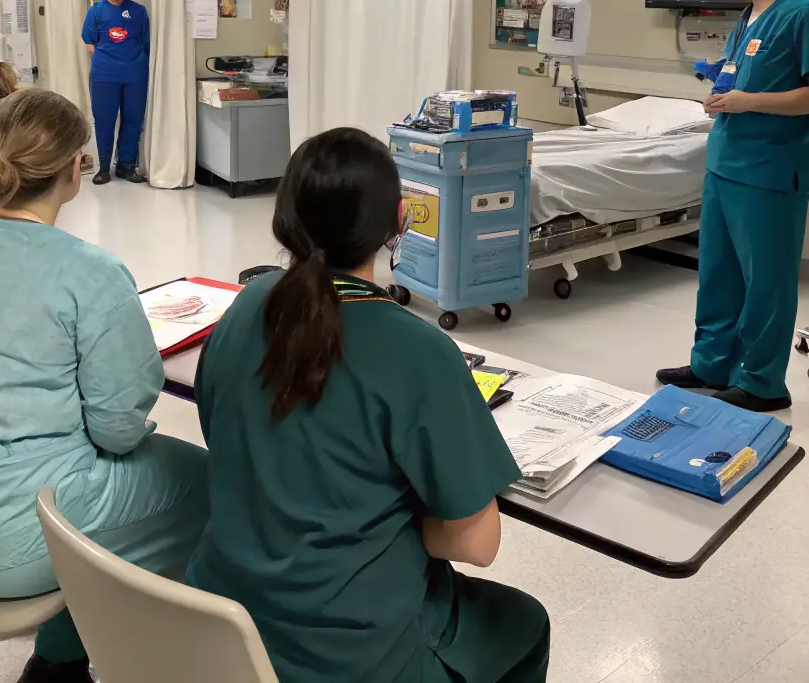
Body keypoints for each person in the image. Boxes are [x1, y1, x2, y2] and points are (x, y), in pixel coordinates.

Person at [187, 127, 549, 683]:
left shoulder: (246, 306)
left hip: (219, 619)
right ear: (401, 220)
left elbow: (222, 431)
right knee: (524, 625)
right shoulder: (418, 351)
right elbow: (477, 544)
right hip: (348, 653)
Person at [0, 88, 208, 683]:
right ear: (74, 167)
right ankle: (179, 658)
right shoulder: (90, 271)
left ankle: (59, 658)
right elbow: (116, 431)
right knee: (216, 487)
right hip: (4, 539)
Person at [657, 0, 809, 412]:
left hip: (769, 171)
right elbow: (745, 77)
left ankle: (762, 384)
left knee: (767, 283)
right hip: (725, 166)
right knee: (717, 275)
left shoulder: (805, 16)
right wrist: (721, 90)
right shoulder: (748, 18)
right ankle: (711, 365)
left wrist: (748, 101)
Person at [82, 0, 149, 186]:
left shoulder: (138, 11)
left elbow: (145, 43)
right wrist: (106, 60)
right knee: (105, 121)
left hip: (134, 74)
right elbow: (89, 42)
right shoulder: (96, 11)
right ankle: (103, 167)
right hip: (104, 75)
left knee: (132, 120)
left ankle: (126, 166)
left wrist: (134, 62)